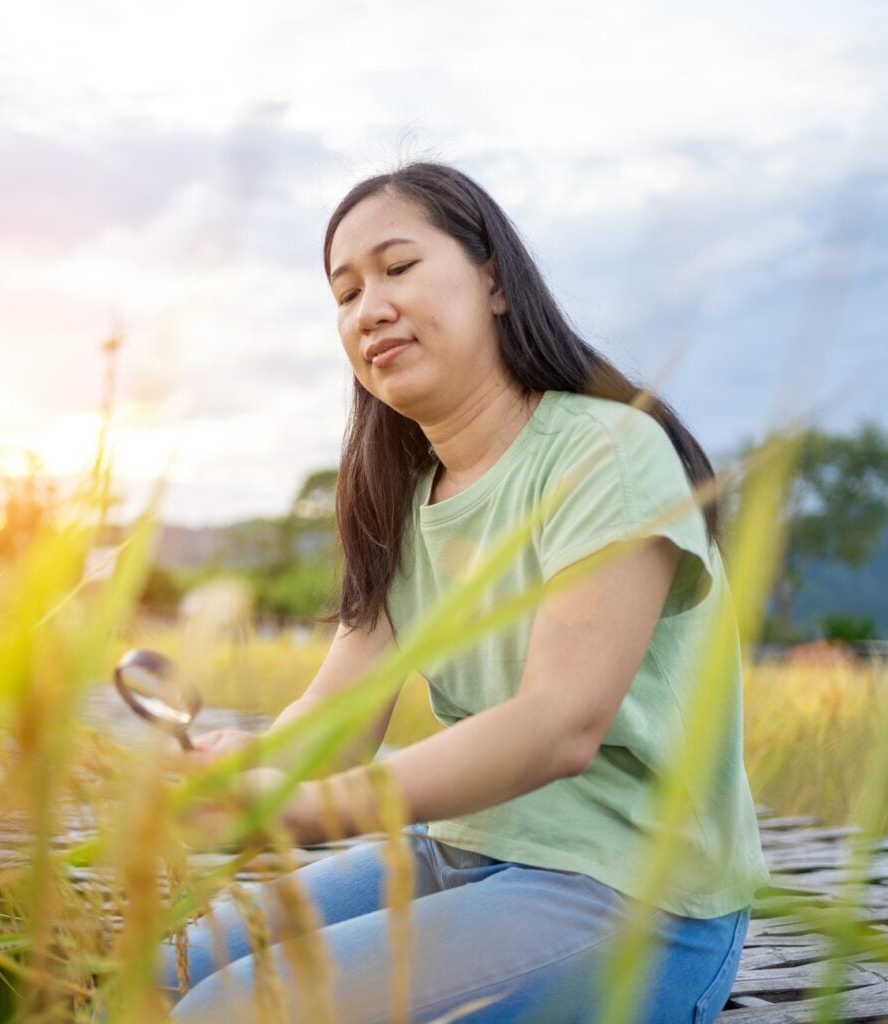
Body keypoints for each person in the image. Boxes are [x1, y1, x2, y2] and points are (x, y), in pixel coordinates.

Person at [151, 162, 770, 1023]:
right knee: (158, 977)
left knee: (226, 1012)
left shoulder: (608, 451)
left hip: (637, 895)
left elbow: (560, 724)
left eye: (397, 267)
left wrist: (313, 809)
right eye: (345, 292)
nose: (368, 308)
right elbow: (339, 716)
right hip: (465, 848)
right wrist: (250, 767)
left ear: (495, 281)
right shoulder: (403, 498)